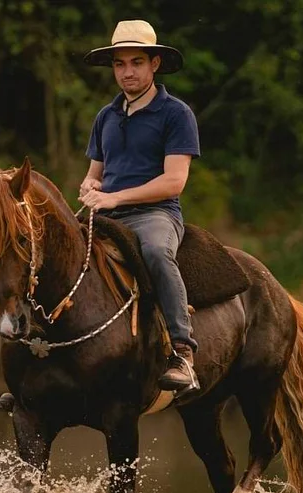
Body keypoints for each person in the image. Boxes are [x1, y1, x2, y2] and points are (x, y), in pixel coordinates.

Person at [79, 19, 201, 400]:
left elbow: (174, 182)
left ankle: (182, 352)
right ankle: (42, 354)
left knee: (156, 253)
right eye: (119, 64)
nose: (127, 71)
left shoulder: (176, 114)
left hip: (156, 214)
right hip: (106, 213)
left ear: (154, 65)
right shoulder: (106, 116)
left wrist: (115, 198)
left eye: (136, 62)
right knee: (52, 251)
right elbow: (94, 175)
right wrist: (89, 187)